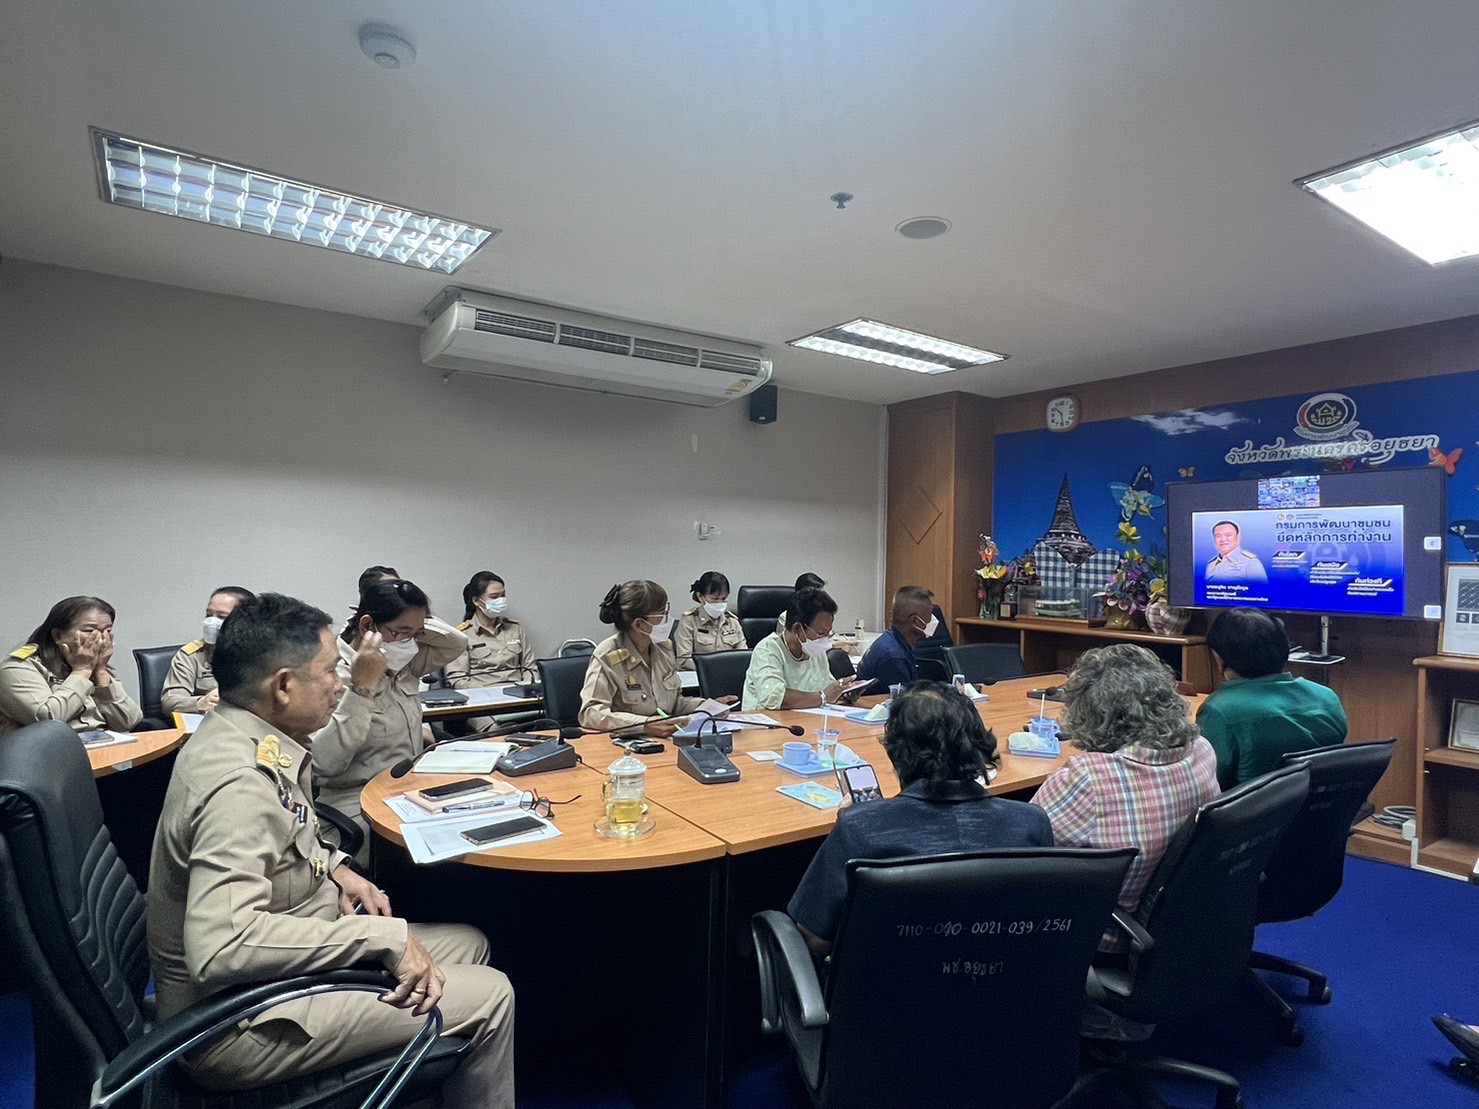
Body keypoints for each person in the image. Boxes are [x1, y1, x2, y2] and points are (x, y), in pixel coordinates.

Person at [147, 593, 513, 1104]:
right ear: (282, 686)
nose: (341, 683)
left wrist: (337, 866)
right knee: (493, 994)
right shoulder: (239, 782)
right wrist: (378, 939)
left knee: (469, 943)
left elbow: (288, 837)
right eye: (328, 673)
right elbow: (223, 948)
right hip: (238, 1021)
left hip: (280, 957)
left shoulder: (254, 736)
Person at [788, 682, 1053, 957]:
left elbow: (815, 940)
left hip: (887, 996)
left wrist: (863, 819)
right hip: (1007, 993)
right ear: (978, 745)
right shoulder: (1032, 824)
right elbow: (1049, 926)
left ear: (895, 751)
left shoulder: (861, 829)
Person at [1030, 643, 1220, 950]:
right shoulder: (1202, 750)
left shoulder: (1089, 779)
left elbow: (1019, 855)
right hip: (1173, 922)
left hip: (1104, 935)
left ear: (1088, 713)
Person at [311, 578, 467, 831]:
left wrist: (415, 627)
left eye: (415, 635)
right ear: (367, 625)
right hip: (355, 802)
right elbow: (323, 763)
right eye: (401, 632)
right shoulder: (332, 675)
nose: (409, 643)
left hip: (411, 790)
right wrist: (362, 690)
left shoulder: (402, 661)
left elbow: (457, 642)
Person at [1198, 608, 1347, 788]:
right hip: (1320, 812)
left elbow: (1208, 784)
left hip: (1253, 814)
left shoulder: (1221, 710)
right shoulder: (1327, 697)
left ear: (1219, 659)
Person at [579, 580, 711, 737]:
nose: (667, 619)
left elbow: (673, 704)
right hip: (627, 745)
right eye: (662, 614)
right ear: (640, 624)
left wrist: (705, 706)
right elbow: (590, 713)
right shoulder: (608, 655)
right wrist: (644, 725)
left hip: (666, 741)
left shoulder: (663, 648)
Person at [0, 596, 143, 737]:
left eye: (107, 631)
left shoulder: (96, 666)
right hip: (51, 754)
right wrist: (82, 671)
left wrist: (101, 672)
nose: (100, 639)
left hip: (104, 748)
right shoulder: (17, 669)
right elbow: (47, 722)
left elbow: (129, 722)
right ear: (57, 635)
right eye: (89, 631)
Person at [743, 587, 861, 711]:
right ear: (797, 629)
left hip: (808, 719)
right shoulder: (767, 650)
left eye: (829, 632)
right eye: (821, 633)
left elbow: (826, 688)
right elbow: (774, 697)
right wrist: (823, 697)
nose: (825, 639)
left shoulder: (815, 649)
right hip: (767, 725)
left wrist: (842, 692)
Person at [161, 586, 257, 715]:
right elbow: (169, 702)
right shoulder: (192, 655)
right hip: (208, 727)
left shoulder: (264, 654)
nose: (211, 622)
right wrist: (199, 703)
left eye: (221, 616)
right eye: (209, 615)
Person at [446, 571, 537, 688]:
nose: (501, 600)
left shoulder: (515, 629)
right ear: (476, 601)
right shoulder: (461, 635)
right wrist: (485, 694)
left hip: (518, 695)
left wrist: (527, 688)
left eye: (503, 595)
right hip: (482, 698)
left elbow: (530, 669)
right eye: (494, 597)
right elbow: (458, 679)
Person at [858, 586, 937, 689]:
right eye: (930, 614)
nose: (933, 619)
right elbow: (904, 701)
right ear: (915, 621)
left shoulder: (896, 642)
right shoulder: (893, 656)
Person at [673, 570, 745, 670]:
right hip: (699, 677)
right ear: (700, 597)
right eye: (714, 599)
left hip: (729, 675)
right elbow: (684, 659)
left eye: (724, 598)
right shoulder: (689, 621)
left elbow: (743, 656)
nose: (719, 602)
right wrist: (712, 670)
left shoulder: (733, 621)